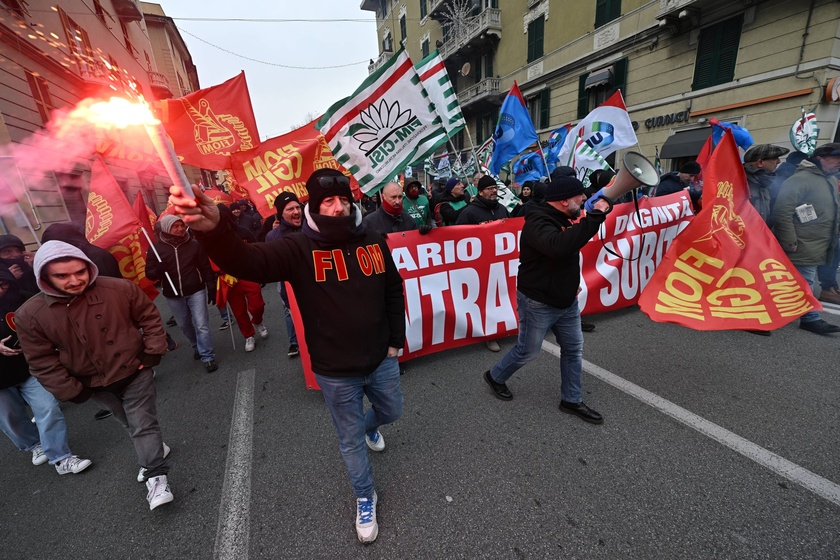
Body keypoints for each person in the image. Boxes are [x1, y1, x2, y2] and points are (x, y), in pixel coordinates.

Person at [169, 169, 405, 544]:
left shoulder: (374, 240)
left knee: (392, 411)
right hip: (335, 370)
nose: (338, 206)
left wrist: (396, 340)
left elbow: (393, 287)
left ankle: (371, 425)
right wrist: (216, 230)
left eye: (344, 200)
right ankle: (365, 496)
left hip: (382, 358)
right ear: (314, 205)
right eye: (328, 201)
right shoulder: (297, 248)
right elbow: (247, 262)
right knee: (349, 441)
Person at [15, 241, 173, 510]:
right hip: (91, 383)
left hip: (135, 370)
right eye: (62, 276)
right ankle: (153, 448)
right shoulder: (30, 314)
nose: (75, 280)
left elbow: (149, 317)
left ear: (89, 267)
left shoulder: (119, 288)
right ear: (44, 276)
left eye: (80, 271)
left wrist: (151, 353)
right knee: (128, 421)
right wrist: (72, 391)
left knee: (142, 422)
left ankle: (155, 475)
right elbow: (41, 361)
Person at [483, 175, 610, 425]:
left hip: (566, 300)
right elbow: (558, 246)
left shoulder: (563, 218)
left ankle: (571, 400)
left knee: (574, 349)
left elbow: (568, 254)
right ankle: (495, 376)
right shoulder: (538, 222)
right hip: (538, 302)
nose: (584, 199)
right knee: (528, 351)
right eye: (579, 196)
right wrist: (596, 216)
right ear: (564, 201)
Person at [0, 266, 93, 475]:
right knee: (11, 418)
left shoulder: (24, 299)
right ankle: (34, 444)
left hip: (31, 367)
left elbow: (46, 321)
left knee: (48, 407)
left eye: (2, 283)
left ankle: (61, 458)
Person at [772, 143, 840, 334]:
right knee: (805, 281)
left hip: (820, 242)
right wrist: (789, 240)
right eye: (836, 158)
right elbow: (782, 211)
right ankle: (811, 318)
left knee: (790, 281)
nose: (839, 163)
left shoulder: (831, 181)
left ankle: (778, 311)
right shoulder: (799, 179)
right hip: (802, 243)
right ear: (820, 158)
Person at [145, 215, 218, 372]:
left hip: (196, 290)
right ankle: (195, 345)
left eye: (181, 225)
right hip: (173, 294)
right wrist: (158, 270)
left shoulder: (194, 245)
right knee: (184, 325)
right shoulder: (156, 249)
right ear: (166, 228)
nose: (179, 229)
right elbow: (149, 273)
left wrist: (211, 286)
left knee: (202, 324)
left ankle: (208, 356)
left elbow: (205, 267)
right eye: (175, 226)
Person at [215, 205, 268, 353]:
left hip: (248, 274)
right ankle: (248, 335)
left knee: (257, 305)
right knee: (239, 312)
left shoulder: (243, 232)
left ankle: (258, 321)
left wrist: (261, 270)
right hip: (229, 280)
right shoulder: (213, 238)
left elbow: (256, 250)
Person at [265, 191, 303, 357]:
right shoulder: (272, 236)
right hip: (288, 286)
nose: (296, 211)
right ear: (280, 213)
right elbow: (271, 266)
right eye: (290, 209)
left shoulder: (311, 227)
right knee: (290, 312)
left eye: (297, 207)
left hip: (316, 283)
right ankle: (294, 342)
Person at [742, 144, 791, 225]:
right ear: (760, 163)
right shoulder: (741, 182)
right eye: (775, 159)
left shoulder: (766, 182)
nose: (778, 162)